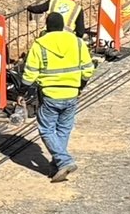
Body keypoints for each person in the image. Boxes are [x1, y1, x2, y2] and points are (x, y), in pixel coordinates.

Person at [22, 11, 96, 182]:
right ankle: (56, 165)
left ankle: (64, 160)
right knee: (63, 129)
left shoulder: (40, 44)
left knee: (46, 129)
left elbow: (30, 72)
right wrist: (80, 86)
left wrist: (22, 91)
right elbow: (88, 69)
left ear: (47, 26)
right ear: (62, 25)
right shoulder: (77, 42)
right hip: (71, 93)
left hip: (50, 95)